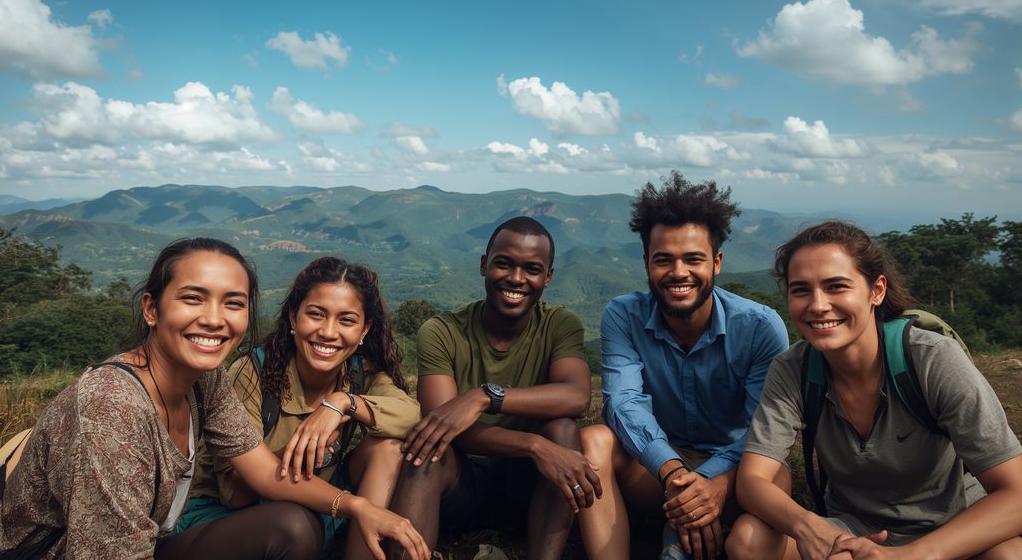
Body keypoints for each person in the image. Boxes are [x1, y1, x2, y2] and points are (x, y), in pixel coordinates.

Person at [0, 238, 428, 560]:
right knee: (290, 527)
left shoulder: (202, 380)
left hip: (157, 537)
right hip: (59, 552)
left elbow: (266, 473)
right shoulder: (111, 406)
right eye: (194, 298)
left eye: (233, 303)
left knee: (292, 526)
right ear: (152, 308)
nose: (214, 320)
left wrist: (358, 507)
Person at [728, 221, 1022, 559]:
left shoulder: (930, 359)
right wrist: (809, 527)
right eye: (800, 290)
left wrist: (913, 555)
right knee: (748, 539)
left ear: (876, 290)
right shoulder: (793, 370)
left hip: (950, 529)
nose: (818, 305)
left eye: (836, 286)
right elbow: (752, 480)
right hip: (851, 530)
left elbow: (1015, 493)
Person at [577, 172, 790, 560]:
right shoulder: (622, 316)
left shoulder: (760, 328)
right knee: (595, 440)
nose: (678, 273)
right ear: (646, 263)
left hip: (738, 471)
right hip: (660, 470)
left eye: (693, 259)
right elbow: (623, 403)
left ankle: (681, 535)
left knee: (772, 474)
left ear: (717, 262)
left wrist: (712, 482)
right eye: (664, 260)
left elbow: (766, 430)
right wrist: (675, 473)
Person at [176, 256, 421, 558]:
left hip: (314, 506)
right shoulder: (253, 372)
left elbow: (411, 414)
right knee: (295, 523)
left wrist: (342, 403)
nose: (329, 332)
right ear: (293, 318)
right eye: (316, 314)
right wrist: (309, 452)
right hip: (232, 519)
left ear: (364, 331)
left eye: (346, 320)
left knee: (388, 448)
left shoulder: (359, 373)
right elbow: (236, 494)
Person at [387, 216, 598, 560]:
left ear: (548, 276)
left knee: (563, 430)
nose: (516, 278)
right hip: (461, 484)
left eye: (532, 269)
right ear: (484, 265)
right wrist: (533, 444)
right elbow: (441, 427)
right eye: (504, 263)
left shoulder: (559, 325)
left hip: (532, 488)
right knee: (424, 450)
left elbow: (576, 396)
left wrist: (485, 396)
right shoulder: (441, 332)